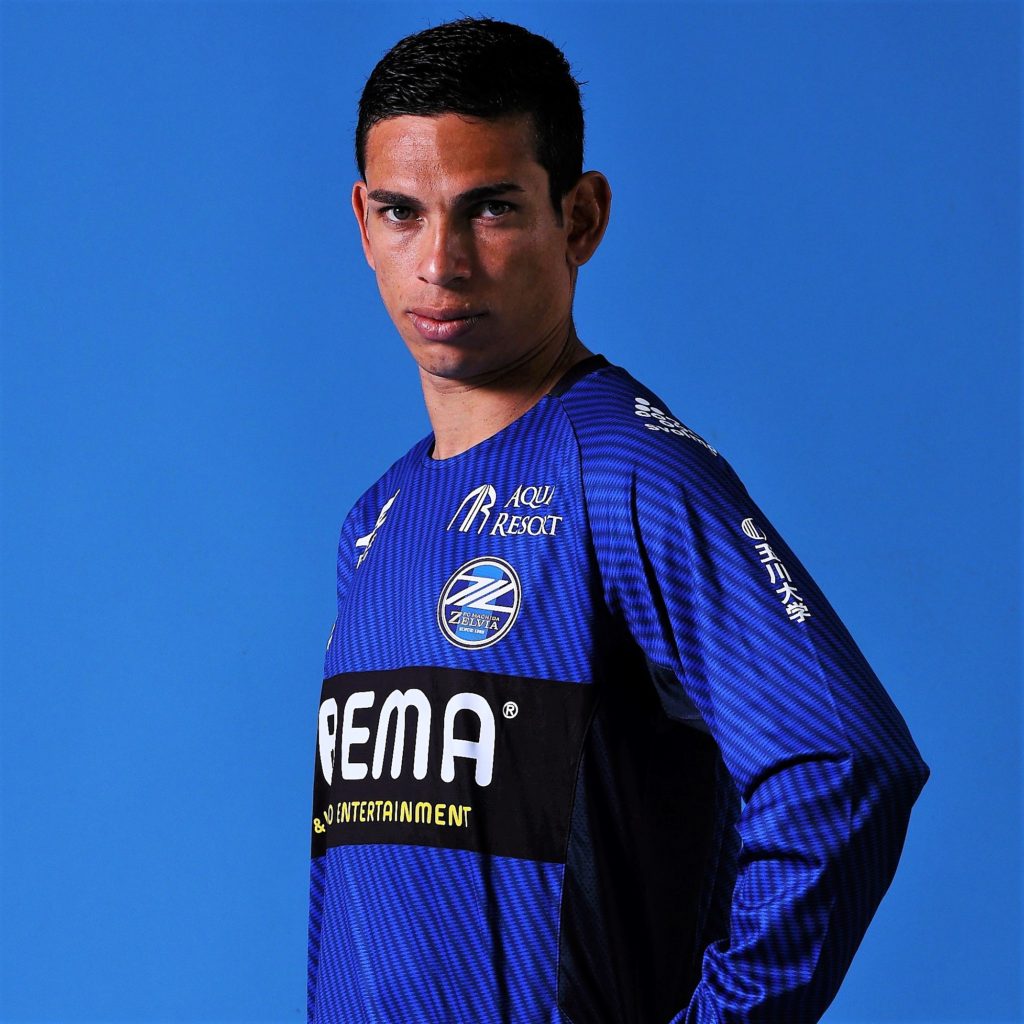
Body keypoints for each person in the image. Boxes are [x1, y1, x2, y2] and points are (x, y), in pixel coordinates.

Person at [308, 17, 928, 1024]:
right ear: (362, 221)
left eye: (491, 208)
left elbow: (846, 761)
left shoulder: (623, 473)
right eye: (401, 213)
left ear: (580, 217)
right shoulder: (377, 518)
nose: (440, 263)